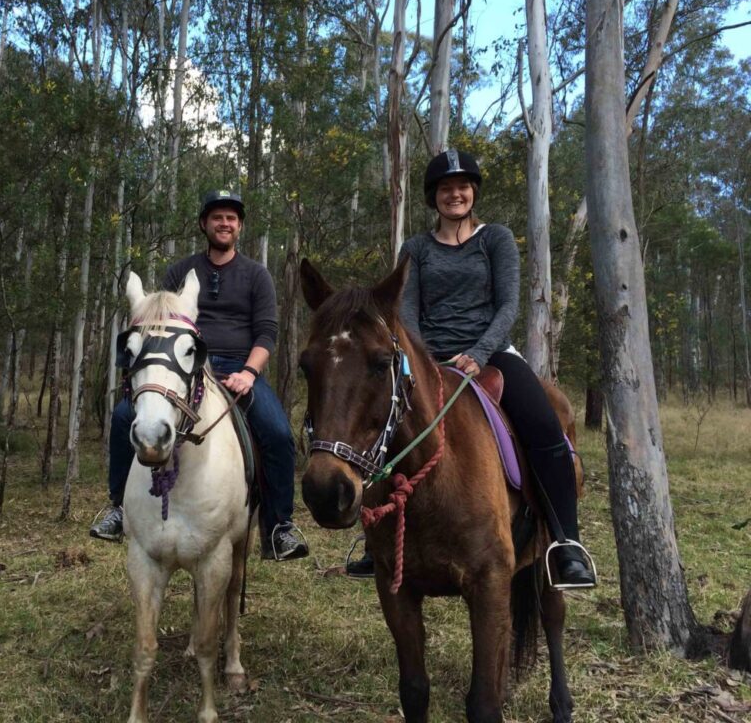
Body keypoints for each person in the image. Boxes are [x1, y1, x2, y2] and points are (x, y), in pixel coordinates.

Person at [347, 149, 596, 589]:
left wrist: (479, 353)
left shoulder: (495, 239)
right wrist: (425, 360)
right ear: (434, 197)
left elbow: (507, 306)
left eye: (462, 186)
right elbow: (407, 312)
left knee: (543, 425)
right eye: (446, 188)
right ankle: (373, 543)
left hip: (493, 354)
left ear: (473, 192)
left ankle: (565, 544)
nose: (455, 194)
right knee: (383, 421)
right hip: (427, 359)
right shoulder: (417, 249)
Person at [90, 189, 309, 561]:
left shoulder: (257, 275)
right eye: (217, 217)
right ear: (204, 224)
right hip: (185, 369)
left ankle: (278, 527)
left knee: (278, 434)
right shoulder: (179, 273)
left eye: (231, 218)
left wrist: (249, 373)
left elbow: (266, 333)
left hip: (240, 370)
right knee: (124, 415)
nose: (225, 223)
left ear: (239, 227)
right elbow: (159, 325)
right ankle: (117, 508)